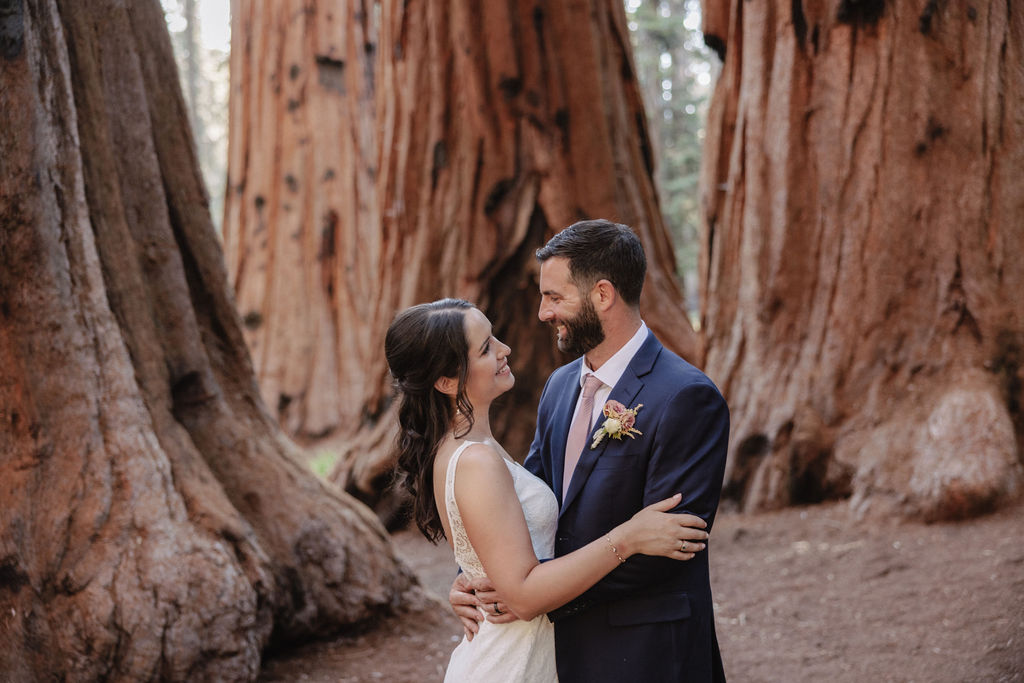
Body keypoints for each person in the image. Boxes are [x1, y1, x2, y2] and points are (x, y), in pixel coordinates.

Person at [450, 219, 730, 682]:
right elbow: (527, 501)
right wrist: (476, 575)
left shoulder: (686, 397)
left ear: (603, 295)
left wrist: (533, 593)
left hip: (646, 652)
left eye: (555, 298)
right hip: (562, 650)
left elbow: (671, 544)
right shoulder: (561, 386)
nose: (542, 313)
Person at [385, 298, 711, 682]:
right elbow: (522, 595)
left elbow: (498, 544)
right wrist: (627, 538)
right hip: (510, 664)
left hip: (535, 652)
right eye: (487, 348)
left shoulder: (472, 449)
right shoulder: (475, 460)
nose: (505, 350)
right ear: (446, 381)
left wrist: (475, 576)